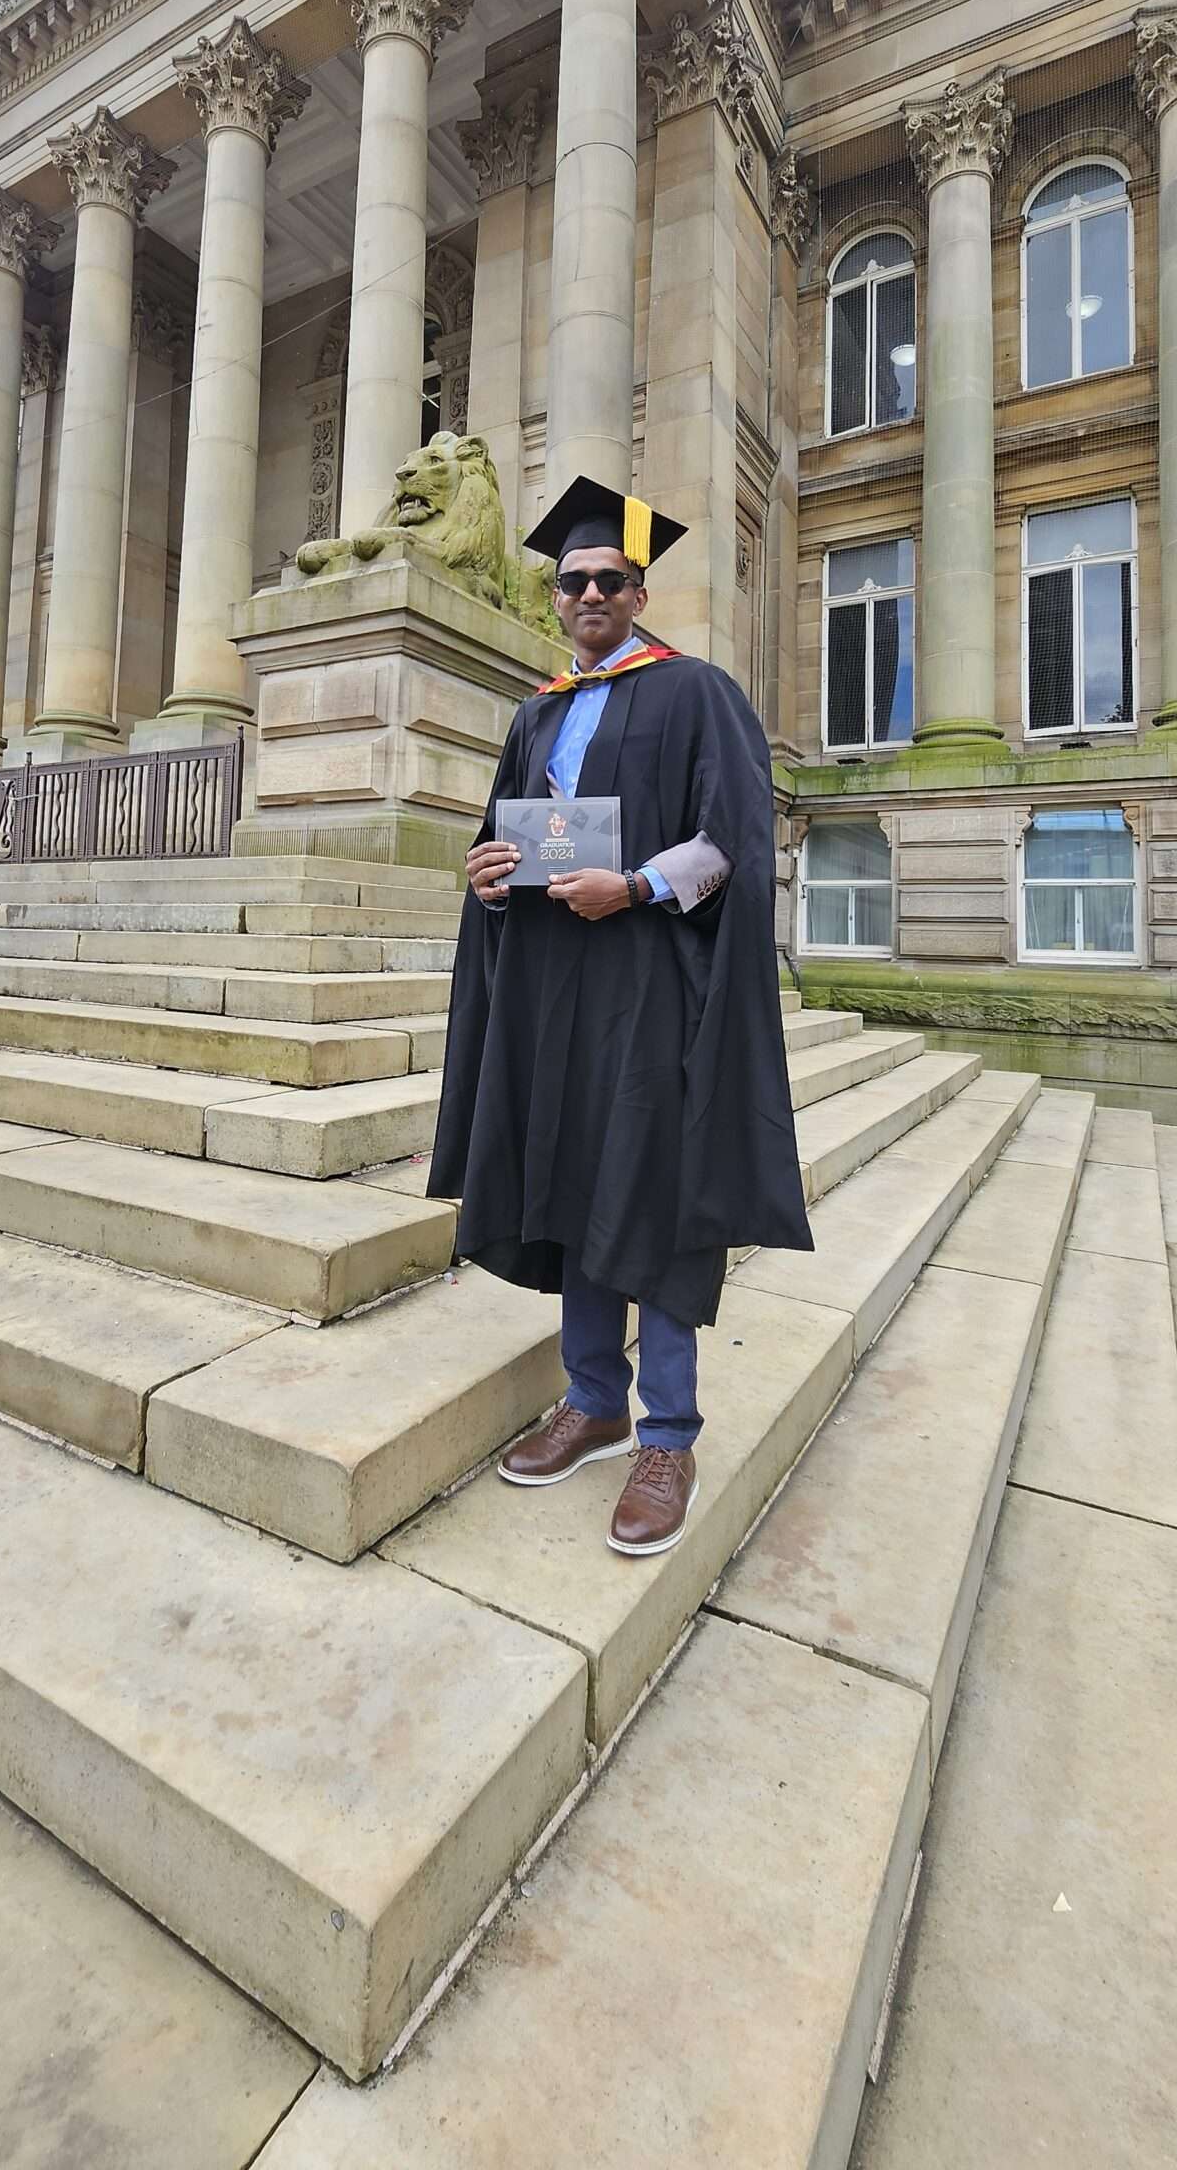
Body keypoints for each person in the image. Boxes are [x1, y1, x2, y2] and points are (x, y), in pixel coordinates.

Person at [427, 477, 813, 1559]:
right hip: (551, 996)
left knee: (654, 1192)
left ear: (640, 593)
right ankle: (593, 1401)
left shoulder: (696, 693)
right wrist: (487, 878)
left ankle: (668, 1435)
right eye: (573, 582)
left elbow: (730, 840)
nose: (590, 594)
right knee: (570, 1182)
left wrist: (636, 886)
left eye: (610, 579)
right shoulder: (536, 713)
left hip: (651, 991)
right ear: (555, 599)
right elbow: (511, 844)